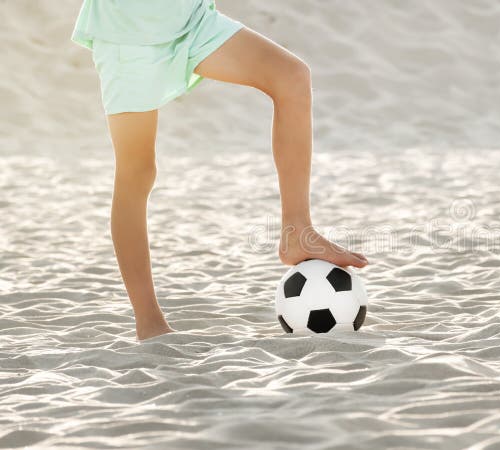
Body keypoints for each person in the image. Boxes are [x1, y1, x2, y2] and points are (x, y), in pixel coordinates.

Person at [71, 0, 369, 340]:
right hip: (128, 32)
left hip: (190, 18)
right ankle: (149, 321)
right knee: (137, 171)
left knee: (291, 77)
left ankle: (297, 230)